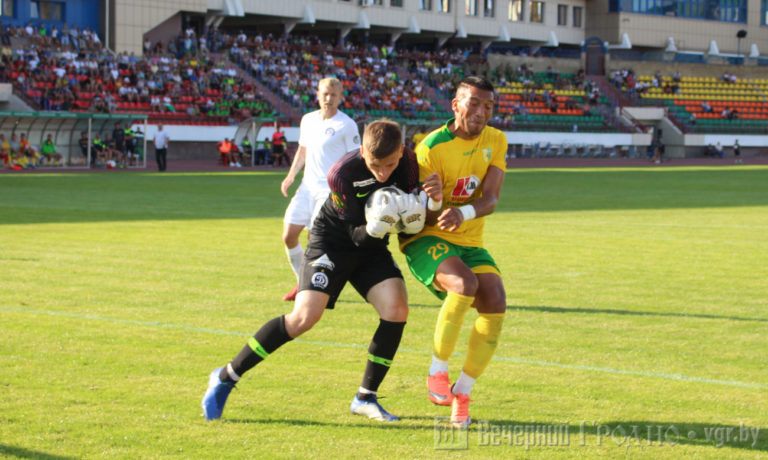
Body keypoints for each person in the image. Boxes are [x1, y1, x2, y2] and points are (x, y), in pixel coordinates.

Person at [202, 119, 422, 422]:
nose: (382, 172)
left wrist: (424, 203)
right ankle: (227, 376)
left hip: (371, 248)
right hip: (333, 241)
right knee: (304, 318)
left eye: (389, 165)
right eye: (374, 165)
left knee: (396, 309)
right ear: (361, 151)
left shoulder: (410, 161)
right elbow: (354, 232)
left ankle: (365, 397)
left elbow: (412, 210)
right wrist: (378, 225)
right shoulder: (342, 173)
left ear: (401, 151)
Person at [400, 76, 508, 427]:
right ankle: (437, 372)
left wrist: (463, 212)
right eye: (474, 103)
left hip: (470, 237)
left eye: (488, 106)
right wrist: (433, 199)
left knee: (495, 300)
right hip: (425, 236)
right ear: (455, 105)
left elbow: (490, 198)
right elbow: (422, 214)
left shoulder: (497, 140)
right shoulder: (430, 147)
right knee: (465, 285)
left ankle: (462, 393)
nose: (481, 112)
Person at [279, 77, 361, 301]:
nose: (328, 98)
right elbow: (302, 151)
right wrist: (291, 176)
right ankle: (301, 281)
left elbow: (355, 159)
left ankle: (317, 288)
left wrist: (347, 190)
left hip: (329, 192)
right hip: (306, 188)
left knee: (316, 240)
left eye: (333, 95)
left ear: (340, 97)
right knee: (288, 236)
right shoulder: (308, 120)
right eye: (325, 94)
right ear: (317, 94)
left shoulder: (346, 125)